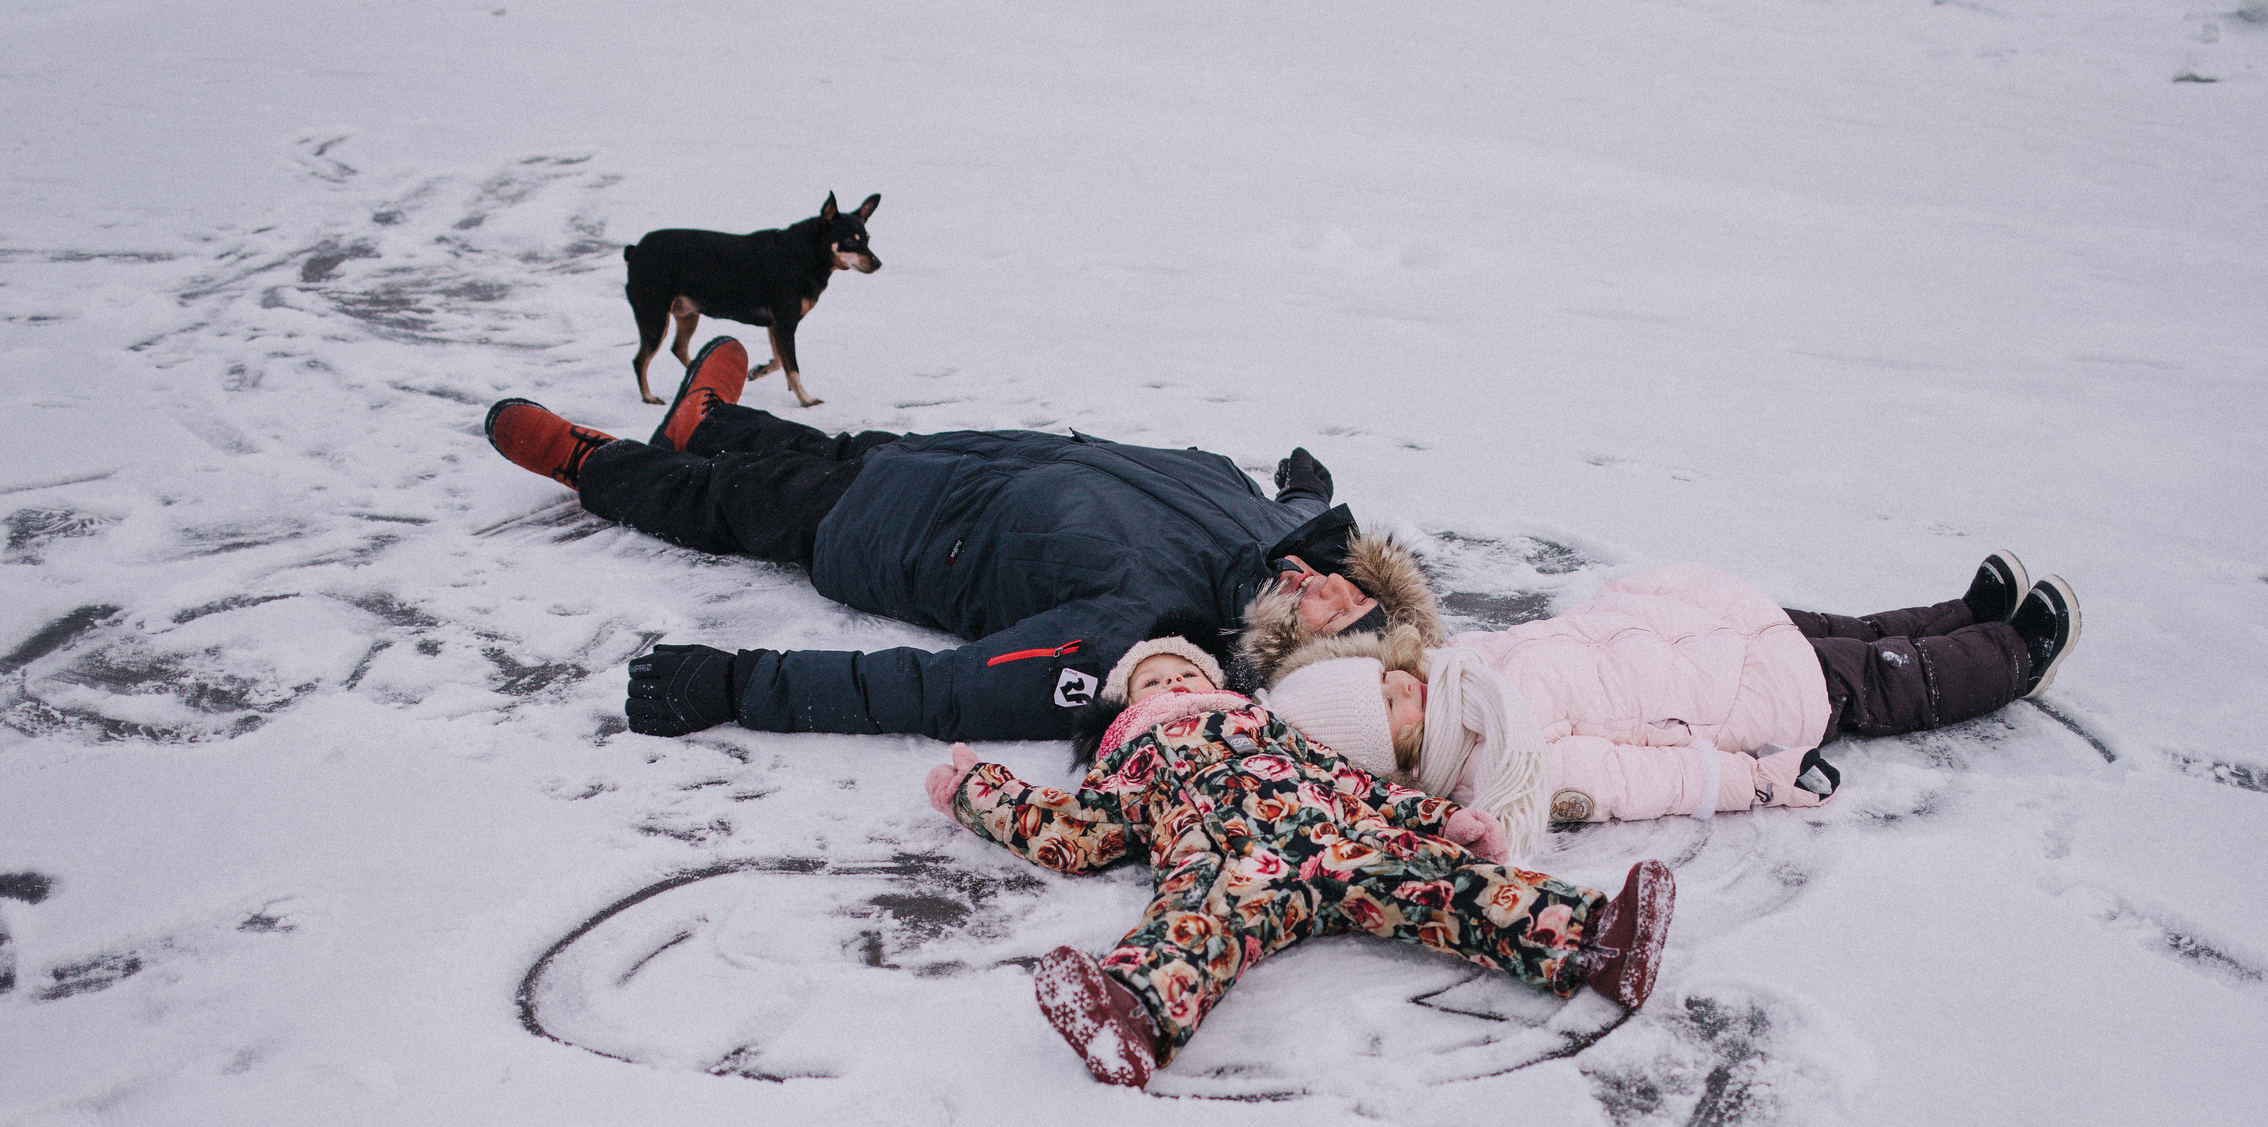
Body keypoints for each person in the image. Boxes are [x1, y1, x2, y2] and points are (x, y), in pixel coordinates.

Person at [480, 336, 1444, 743]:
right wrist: (1302, 490)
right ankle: (706, 421)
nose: (1331, 588)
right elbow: (1315, 522)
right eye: (1354, 588)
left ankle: (591, 463)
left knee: (734, 502)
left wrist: (738, 684)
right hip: (957, 458)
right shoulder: (1293, 537)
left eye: (1338, 613)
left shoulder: (1157, 640)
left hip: (883, 534)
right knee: (831, 447)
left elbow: (946, 690)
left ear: (1297, 651)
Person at [918, 635, 1677, 1088]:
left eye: (1186, 673)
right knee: (1193, 928)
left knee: (1443, 884)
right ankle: (1131, 1018)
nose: (1174, 684)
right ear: (1124, 708)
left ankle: (1600, 939)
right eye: (1153, 681)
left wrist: (1442, 817)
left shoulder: (1275, 731)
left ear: (1218, 685)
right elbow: (1075, 829)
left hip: (1342, 839)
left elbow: (1359, 785)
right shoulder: (1132, 761)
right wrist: (980, 791)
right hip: (1222, 857)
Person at [1256, 552, 2083, 856]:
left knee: (1846, 631)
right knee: (1879, 678)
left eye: (1383, 676)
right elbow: (1652, 781)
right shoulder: (1506, 764)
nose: (1403, 683)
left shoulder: (1454, 666)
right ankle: (2010, 657)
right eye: (1390, 707)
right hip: (1720, 700)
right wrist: (1757, 782)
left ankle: (1966, 614)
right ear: (1399, 761)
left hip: (1677, 628)